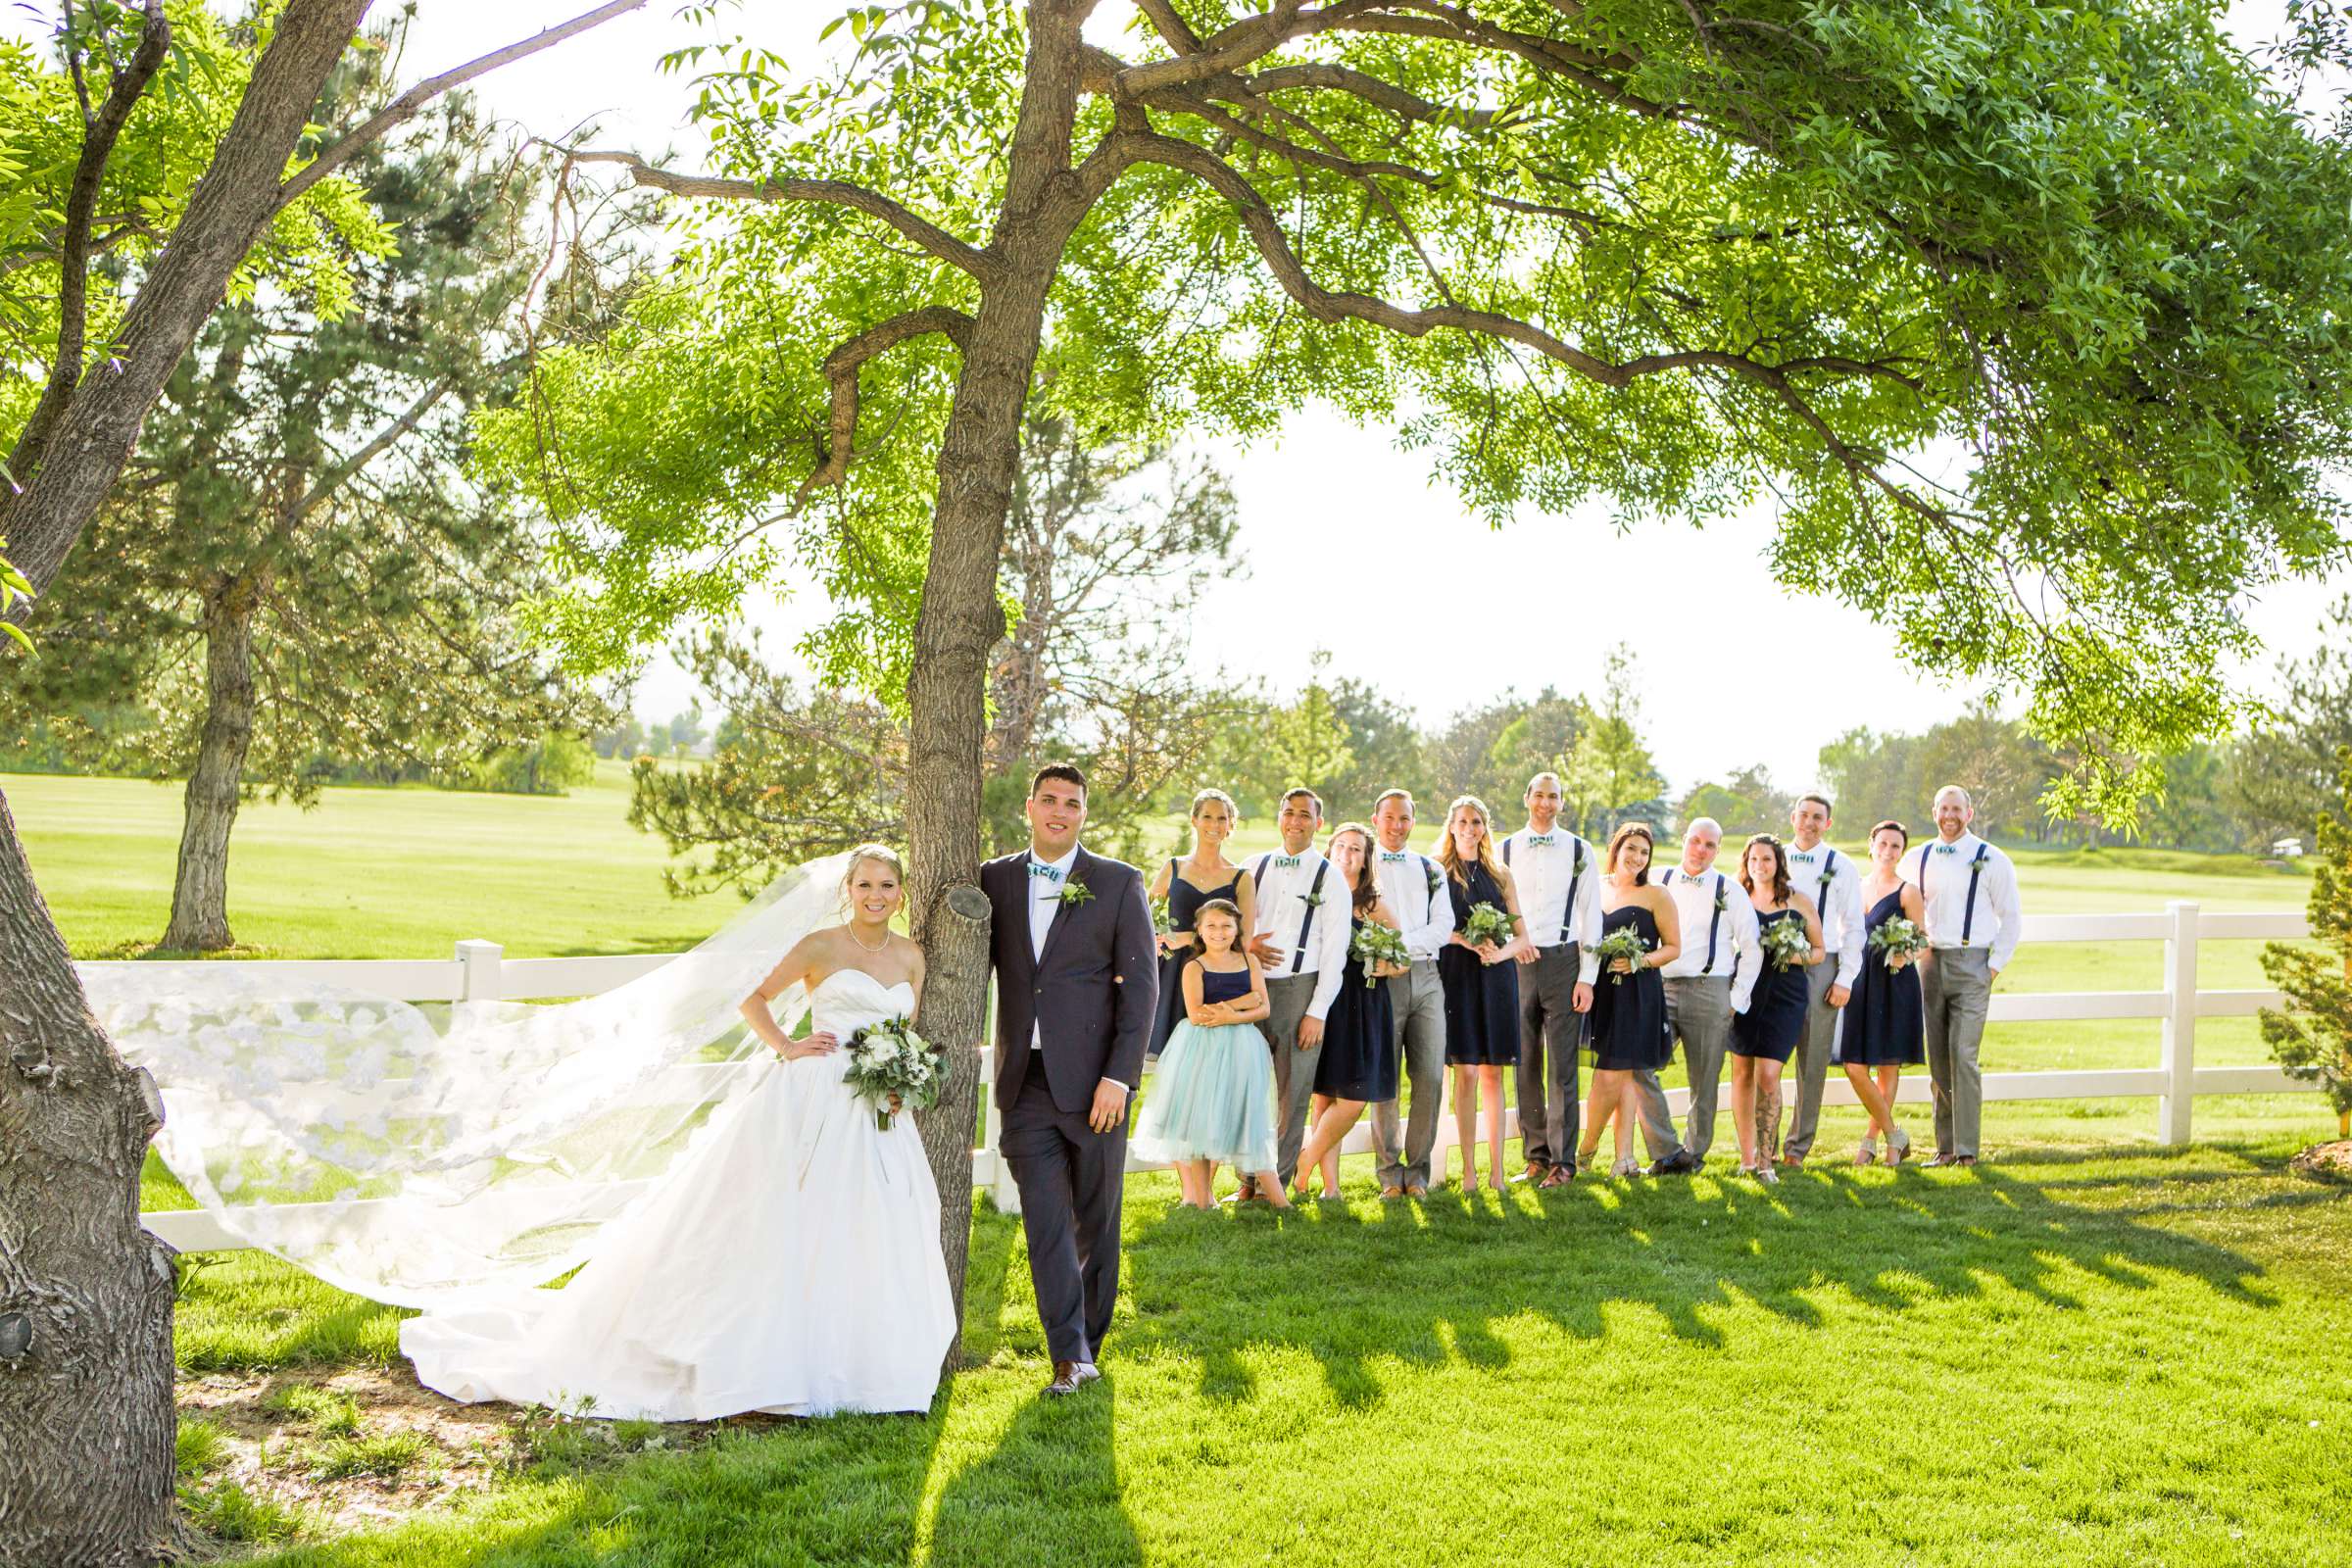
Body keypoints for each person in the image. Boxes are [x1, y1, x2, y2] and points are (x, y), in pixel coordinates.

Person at [400, 846, 957, 1420]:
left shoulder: (911, 956)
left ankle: (863, 1363)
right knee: (785, 1220)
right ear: (849, 889)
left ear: (900, 892)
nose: (875, 896)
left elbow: (902, 1033)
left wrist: (900, 1081)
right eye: (865, 885)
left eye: (887, 886)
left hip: (875, 1112)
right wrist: (788, 1046)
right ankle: (763, 1358)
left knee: (869, 1224)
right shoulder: (821, 946)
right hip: (812, 1098)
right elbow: (751, 992)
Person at [981, 763, 1159, 1397]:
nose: (1059, 811)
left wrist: (1121, 1076)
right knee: (1045, 1223)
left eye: (1072, 804)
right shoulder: (995, 879)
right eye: (1049, 800)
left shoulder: (1117, 883)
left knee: (1097, 1223)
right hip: (1023, 1082)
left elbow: (1142, 989)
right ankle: (1069, 1357)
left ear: (1085, 814)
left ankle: (1091, 1343)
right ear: (1029, 807)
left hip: (1096, 1086)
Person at [1131, 899, 1292, 1210]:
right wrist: (1244, 1001)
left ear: (1236, 929)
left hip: (1245, 1047)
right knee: (1202, 1121)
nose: (1219, 932)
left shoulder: (1249, 962)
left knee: (1250, 1118)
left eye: (1226, 926)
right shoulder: (1195, 967)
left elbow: (1265, 1006)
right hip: (1202, 1048)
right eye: (1212, 926)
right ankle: (1204, 1202)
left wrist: (1229, 1013)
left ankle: (1280, 1201)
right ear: (1200, 931)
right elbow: (1196, 1014)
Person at [1236, 788, 1351, 1202]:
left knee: (1292, 1095)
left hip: (1300, 989)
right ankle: (1247, 1182)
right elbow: (1228, 926)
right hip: (1251, 988)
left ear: (1318, 823)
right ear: (1279, 817)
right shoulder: (1253, 867)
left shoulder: (1331, 877)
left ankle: (1276, 1185)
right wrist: (1247, 946)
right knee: (1248, 1087)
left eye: (1305, 815)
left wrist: (1317, 1011)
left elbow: (1335, 952)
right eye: (1289, 813)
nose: (1296, 821)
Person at [1901, 785, 2023, 1167]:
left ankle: (1968, 1149)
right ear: (1933, 811)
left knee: (1964, 1056)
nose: (1949, 816)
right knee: (1937, 1058)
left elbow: (2012, 918)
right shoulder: (1916, 858)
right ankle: (1946, 1147)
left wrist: (1992, 966)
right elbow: (1895, 905)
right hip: (1929, 963)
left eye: (1957, 808)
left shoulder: (1991, 858)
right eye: (1943, 808)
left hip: (1973, 965)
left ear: (1969, 813)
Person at [1633, 817, 1760, 1174]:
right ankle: (1667, 1150)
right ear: (1684, 840)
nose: (1700, 850)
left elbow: (1752, 948)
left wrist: (1736, 1000)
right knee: (1641, 1065)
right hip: (1661, 988)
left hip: (1710, 989)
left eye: (1709, 845)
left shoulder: (1729, 889)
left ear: (1718, 850)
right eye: (1695, 841)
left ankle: (1693, 1155)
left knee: (1703, 1081)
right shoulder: (1659, 878)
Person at [1499, 772, 1601, 1187]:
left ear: (1562, 803)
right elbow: (1495, 905)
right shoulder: (1503, 848)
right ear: (1526, 798)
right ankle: (1535, 1156)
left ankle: (1564, 1162)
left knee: (1562, 1067)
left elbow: (1592, 914)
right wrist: (1511, 943)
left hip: (1564, 962)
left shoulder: (1581, 849)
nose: (1545, 803)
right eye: (1538, 795)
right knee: (1523, 1062)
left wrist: (1588, 976)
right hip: (1517, 962)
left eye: (1553, 797)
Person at [1295, 823, 1405, 1199]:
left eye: (1355, 848)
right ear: (1329, 850)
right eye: (1340, 846)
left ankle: (1304, 1161)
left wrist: (1382, 967)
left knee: (1353, 1098)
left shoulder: (1371, 903)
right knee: (1323, 1094)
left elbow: (1402, 958)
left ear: (1366, 858)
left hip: (1364, 1005)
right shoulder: (1317, 893)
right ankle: (1330, 1187)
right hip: (1324, 1003)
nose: (1347, 853)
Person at [1435, 796, 1532, 1193]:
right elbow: (1433, 927)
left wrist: (1499, 952)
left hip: (1497, 977)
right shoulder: (1438, 872)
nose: (1470, 828)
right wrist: (1466, 941)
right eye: (1463, 821)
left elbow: (1523, 936)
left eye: (1477, 821)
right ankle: (1469, 1172)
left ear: (1484, 827)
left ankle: (1496, 1170)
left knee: (1493, 1073)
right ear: (1452, 826)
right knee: (1467, 1072)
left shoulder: (1501, 873)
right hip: (1457, 974)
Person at [1577, 823, 1682, 1178]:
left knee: (1613, 1075)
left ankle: (1585, 1150)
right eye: (1632, 849)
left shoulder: (1657, 894)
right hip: (1600, 989)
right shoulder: (1597, 887)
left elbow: (1673, 948)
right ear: (1616, 848)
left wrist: (1640, 961)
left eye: (1644, 852)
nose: (1637, 858)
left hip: (1637, 994)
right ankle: (1624, 1158)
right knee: (1621, 1075)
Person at [1367, 789, 1453, 1199]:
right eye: (1389, 817)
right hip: (1381, 980)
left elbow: (1443, 926)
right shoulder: (1363, 866)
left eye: (1404, 819)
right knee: (1385, 1078)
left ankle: (1417, 1172)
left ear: (1413, 823)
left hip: (1426, 977)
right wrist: (1398, 950)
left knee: (1431, 1076)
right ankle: (1389, 1172)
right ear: (1375, 819)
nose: (1397, 825)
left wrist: (1400, 944)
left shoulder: (1430, 868)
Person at [1727, 835, 1823, 1184]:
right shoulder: (1737, 897)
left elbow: (1819, 950)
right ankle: (1747, 1158)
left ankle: (1767, 1160)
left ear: (1778, 862)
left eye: (1767, 859)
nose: (1760, 866)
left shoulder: (1798, 901)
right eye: (1754, 859)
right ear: (1746, 862)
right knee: (1741, 1073)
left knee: (1768, 1075)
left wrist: (1793, 954)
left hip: (1785, 993)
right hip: (1746, 989)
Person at [1779, 793, 1865, 1168]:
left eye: (1818, 817)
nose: (1810, 822)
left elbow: (1854, 927)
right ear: (1793, 818)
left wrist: (1844, 977)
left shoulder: (1840, 865)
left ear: (1827, 824)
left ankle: (1796, 1148)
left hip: (1821, 965)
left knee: (1812, 1060)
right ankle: (1762, 1143)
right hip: (1775, 963)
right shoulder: (1773, 856)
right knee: (1766, 1055)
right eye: (1804, 815)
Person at [1837, 819, 1924, 1165]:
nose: (1888, 852)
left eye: (1896, 846)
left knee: (1888, 1065)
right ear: (1871, 845)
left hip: (1894, 982)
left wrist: (1905, 954)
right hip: (1859, 979)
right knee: (1854, 1065)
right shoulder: (1855, 886)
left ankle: (1873, 1141)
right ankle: (1895, 1134)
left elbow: (1921, 939)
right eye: (1883, 844)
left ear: (1902, 852)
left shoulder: (1907, 891)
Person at [1148, 789, 1256, 1060]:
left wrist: (1185, 938)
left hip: (1216, 976)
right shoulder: (1173, 868)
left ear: (1231, 824)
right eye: (1207, 816)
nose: (1214, 825)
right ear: (1194, 820)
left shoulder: (1241, 878)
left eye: (1222, 818)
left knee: (1207, 1061)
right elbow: (1145, 921)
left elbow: (1242, 940)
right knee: (1166, 1062)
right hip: (1171, 973)